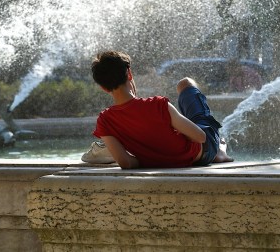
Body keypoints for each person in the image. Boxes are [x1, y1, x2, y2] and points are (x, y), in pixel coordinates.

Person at [86, 50, 233, 169]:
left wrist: (153, 158)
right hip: (203, 154)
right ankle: (219, 150)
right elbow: (200, 137)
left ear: (104, 88)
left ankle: (216, 149)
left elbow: (125, 162)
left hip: (178, 160)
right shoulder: (157, 104)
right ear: (129, 74)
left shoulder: (104, 121)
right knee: (185, 84)